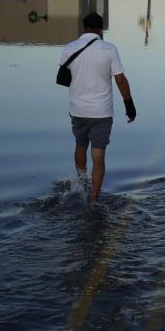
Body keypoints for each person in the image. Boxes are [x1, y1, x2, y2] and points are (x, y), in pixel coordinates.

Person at [59, 12, 136, 203]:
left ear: (83, 28)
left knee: (80, 145)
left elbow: (64, 76)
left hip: (77, 109)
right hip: (101, 111)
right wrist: (130, 105)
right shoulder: (109, 49)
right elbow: (120, 80)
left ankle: (81, 184)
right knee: (98, 153)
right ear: (101, 29)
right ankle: (93, 199)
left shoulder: (69, 48)